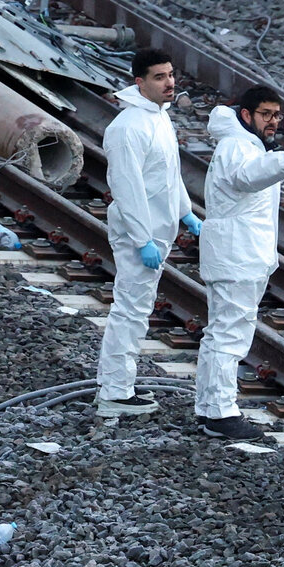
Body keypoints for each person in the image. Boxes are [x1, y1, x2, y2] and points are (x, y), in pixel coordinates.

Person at [194, 83, 284, 441]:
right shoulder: (238, 146)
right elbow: (247, 178)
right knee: (231, 333)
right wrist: (283, 162)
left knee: (221, 333)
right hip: (237, 255)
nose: (273, 121)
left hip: (238, 253)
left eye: (277, 115)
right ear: (246, 115)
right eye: (265, 114)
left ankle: (210, 408)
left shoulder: (246, 144)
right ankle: (223, 414)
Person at [96, 47, 196, 418]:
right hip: (142, 234)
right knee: (131, 310)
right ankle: (116, 392)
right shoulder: (127, 127)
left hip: (158, 229)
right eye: (160, 77)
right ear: (140, 82)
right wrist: (142, 240)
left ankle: (117, 386)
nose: (170, 83)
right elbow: (127, 188)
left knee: (137, 308)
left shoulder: (159, 118)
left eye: (171, 75)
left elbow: (168, 173)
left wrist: (186, 214)